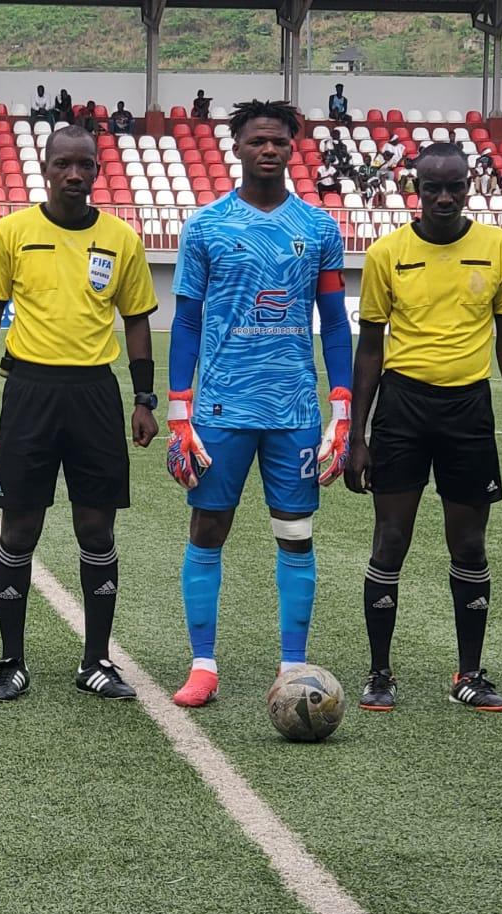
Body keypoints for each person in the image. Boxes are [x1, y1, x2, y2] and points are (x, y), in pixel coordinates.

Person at [166, 100, 353, 708]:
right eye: (257, 141)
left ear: (292, 148)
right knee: (208, 526)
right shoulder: (206, 226)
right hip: (221, 408)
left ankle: (293, 664)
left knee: (295, 534)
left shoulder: (319, 228)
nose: (268, 150)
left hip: (293, 410)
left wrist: (342, 410)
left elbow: (335, 324)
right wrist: (179, 411)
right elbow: (186, 321)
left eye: (278, 141)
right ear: (238, 147)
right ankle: (203, 664)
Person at [0, 124, 159, 702]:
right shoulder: (13, 233)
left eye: (85, 165)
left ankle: (95, 661)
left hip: (95, 394)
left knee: (96, 528)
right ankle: (11, 662)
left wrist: (143, 398)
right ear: (45, 170)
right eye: (63, 165)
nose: (74, 175)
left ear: (97, 170)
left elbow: (137, 320)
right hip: (30, 391)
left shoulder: (120, 239)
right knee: (19, 528)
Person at [347, 141, 502, 713]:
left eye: (455, 186)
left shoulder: (498, 248)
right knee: (391, 540)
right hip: (402, 409)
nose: (445, 197)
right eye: (433, 187)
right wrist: (357, 436)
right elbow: (370, 350)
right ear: (417, 189)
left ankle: (469, 674)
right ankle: (380, 674)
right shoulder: (387, 253)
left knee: (470, 544)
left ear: (469, 186)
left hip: (468, 410)